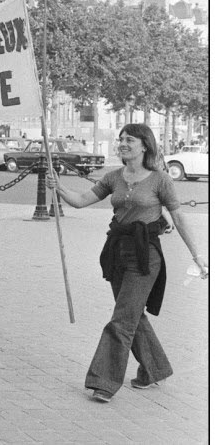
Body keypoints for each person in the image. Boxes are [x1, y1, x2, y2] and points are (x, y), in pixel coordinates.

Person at [47, 124, 208, 403]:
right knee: (132, 315)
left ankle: (103, 382)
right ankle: (154, 370)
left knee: (122, 319)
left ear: (144, 145)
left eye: (128, 139)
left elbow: (179, 219)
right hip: (117, 253)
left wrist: (198, 256)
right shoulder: (113, 177)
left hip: (146, 257)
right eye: (120, 139)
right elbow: (81, 201)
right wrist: (58, 188)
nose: (122, 143)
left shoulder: (160, 180)